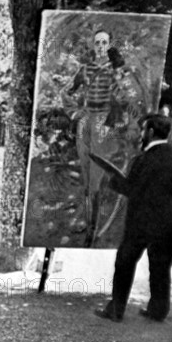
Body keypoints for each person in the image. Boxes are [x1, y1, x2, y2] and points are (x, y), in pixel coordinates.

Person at [94, 114, 172, 323]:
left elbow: (133, 190)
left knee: (125, 263)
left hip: (143, 221)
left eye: (143, 130)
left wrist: (113, 180)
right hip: (169, 220)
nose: (141, 134)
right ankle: (158, 311)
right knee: (161, 267)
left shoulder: (142, 160)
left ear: (151, 132)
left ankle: (116, 310)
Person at [65, 29, 140, 246]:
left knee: (97, 178)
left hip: (103, 122)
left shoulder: (116, 69)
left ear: (109, 45)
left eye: (104, 42)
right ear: (92, 44)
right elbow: (67, 91)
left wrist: (119, 72)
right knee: (86, 176)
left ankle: (93, 230)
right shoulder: (85, 69)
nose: (100, 46)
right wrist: (74, 113)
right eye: (97, 42)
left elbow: (128, 97)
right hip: (85, 121)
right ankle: (89, 222)